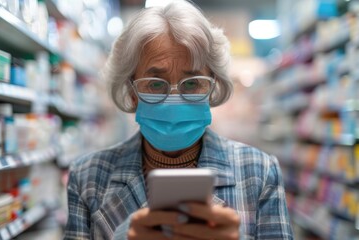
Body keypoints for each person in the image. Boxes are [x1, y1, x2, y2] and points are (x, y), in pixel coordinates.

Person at [64, 1, 293, 239]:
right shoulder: (87, 177)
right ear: (132, 93)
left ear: (212, 86)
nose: (174, 100)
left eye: (192, 83)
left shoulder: (260, 172)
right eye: (155, 84)